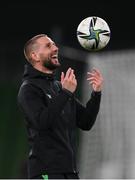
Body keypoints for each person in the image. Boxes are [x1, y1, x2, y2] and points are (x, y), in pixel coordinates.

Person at [17, 34, 103, 179]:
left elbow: (86, 122)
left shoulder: (58, 87)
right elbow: (42, 122)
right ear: (35, 55)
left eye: (54, 45)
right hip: (46, 173)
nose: (56, 48)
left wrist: (96, 93)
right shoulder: (29, 89)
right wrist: (65, 93)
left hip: (70, 172)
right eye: (48, 46)